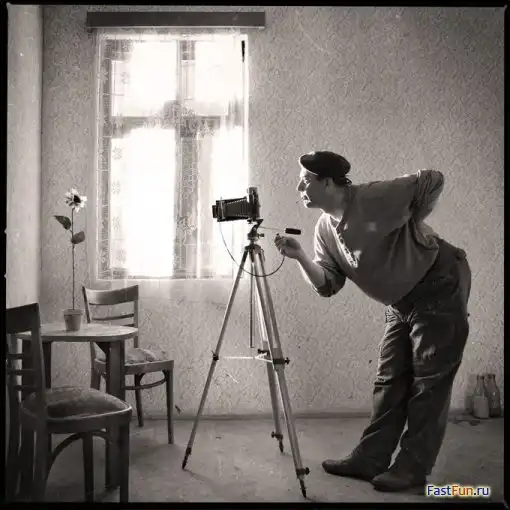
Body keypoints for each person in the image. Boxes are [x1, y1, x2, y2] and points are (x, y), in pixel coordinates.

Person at [274, 150, 471, 493]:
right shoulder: (324, 229)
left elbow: (432, 179)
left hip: (439, 282)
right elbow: (328, 285)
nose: (298, 188)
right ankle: (370, 459)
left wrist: (414, 224)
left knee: (429, 382)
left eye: (305, 181)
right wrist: (300, 256)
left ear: (328, 183)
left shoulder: (372, 197)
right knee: (389, 379)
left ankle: (412, 468)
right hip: (400, 300)